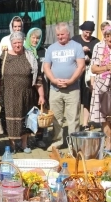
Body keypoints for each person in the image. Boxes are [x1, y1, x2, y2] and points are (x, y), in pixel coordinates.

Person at [0, 31, 45, 154]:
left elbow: (37, 76)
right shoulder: (4, 56)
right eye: (15, 43)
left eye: (19, 42)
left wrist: (41, 95)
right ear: (11, 43)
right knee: (10, 121)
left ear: (23, 42)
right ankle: (12, 146)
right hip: (9, 94)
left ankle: (24, 144)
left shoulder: (29, 56)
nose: (17, 45)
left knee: (26, 119)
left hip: (27, 94)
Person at [43, 22, 85, 152]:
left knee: (73, 119)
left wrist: (71, 80)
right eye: (58, 35)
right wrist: (54, 80)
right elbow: (46, 67)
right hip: (55, 89)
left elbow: (81, 66)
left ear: (68, 34)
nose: (60, 37)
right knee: (56, 118)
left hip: (72, 89)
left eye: (62, 34)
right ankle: (57, 141)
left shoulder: (76, 47)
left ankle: (74, 144)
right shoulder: (51, 48)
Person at [72, 21, 100, 131]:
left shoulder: (96, 42)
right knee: (75, 98)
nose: (87, 35)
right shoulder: (75, 40)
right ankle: (75, 122)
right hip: (76, 72)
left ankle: (85, 123)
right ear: (82, 30)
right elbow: (70, 53)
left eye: (89, 32)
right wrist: (80, 50)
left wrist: (90, 57)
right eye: (85, 32)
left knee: (87, 98)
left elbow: (99, 57)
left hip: (89, 74)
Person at [24, 27, 49, 148]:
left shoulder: (43, 51)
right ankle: (27, 139)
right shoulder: (24, 51)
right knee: (29, 112)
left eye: (37, 38)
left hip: (41, 85)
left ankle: (39, 138)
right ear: (29, 38)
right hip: (28, 86)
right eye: (33, 37)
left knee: (40, 111)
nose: (35, 40)